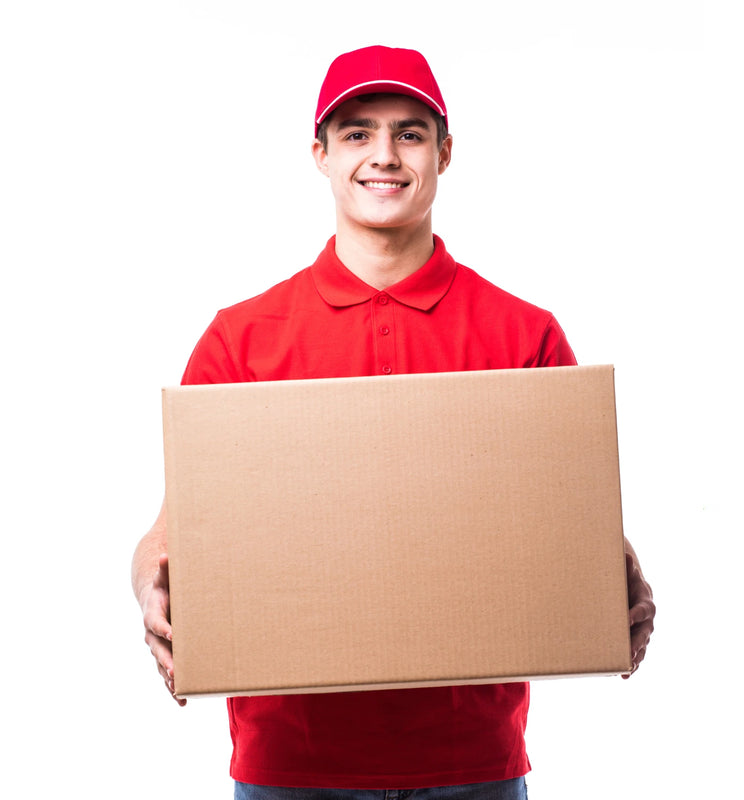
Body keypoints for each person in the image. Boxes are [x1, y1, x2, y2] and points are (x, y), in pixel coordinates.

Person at [131, 45, 656, 799]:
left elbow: (561, 531)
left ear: (446, 152)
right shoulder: (242, 338)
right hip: (292, 763)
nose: (385, 155)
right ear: (319, 154)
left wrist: (618, 579)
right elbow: (176, 531)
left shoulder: (524, 336)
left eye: (410, 133)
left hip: (471, 761)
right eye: (357, 133)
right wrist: (147, 580)